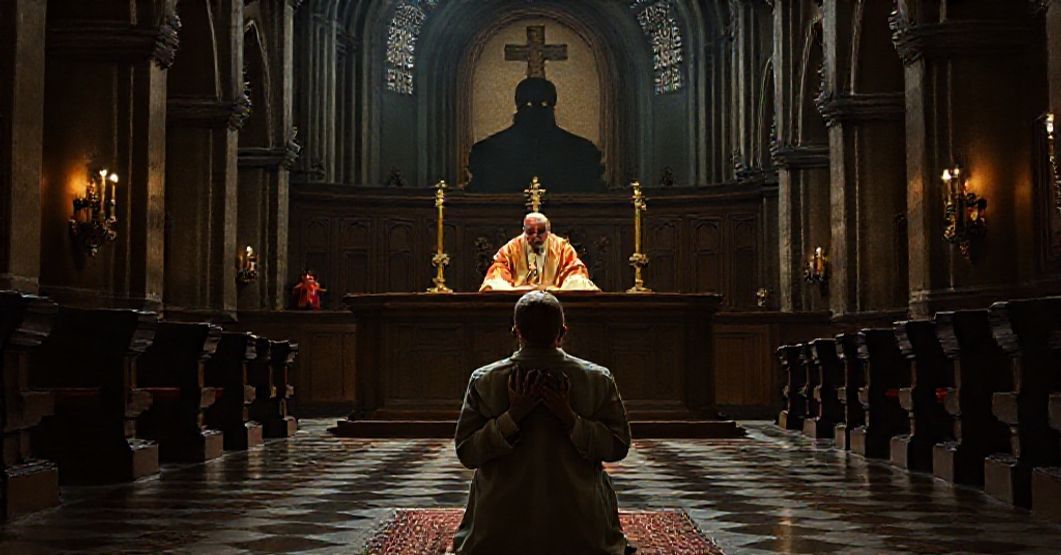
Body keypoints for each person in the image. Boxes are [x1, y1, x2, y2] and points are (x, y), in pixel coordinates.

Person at [452, 291, 632, 554]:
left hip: (498, 532)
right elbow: (617, 447)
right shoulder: (597, 379)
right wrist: (570, 419)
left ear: (516, 332)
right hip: (581, 531)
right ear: (563, 331)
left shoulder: (484, 379)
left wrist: (512, 417)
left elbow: (467, 452)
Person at [467, 77, 604, 193]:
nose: (536, 112)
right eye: (530, 104)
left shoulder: (582, 153)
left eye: (543, 104)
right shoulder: (486, 153)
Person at [479, 212, 600, 292]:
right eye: (530, 232)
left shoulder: (562, 248)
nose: (536, 236)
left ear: (548, 230)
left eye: (541, 231)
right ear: (523, 231)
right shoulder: (511, 248)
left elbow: (576, 273)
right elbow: (497, 273)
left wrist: (556, 289)